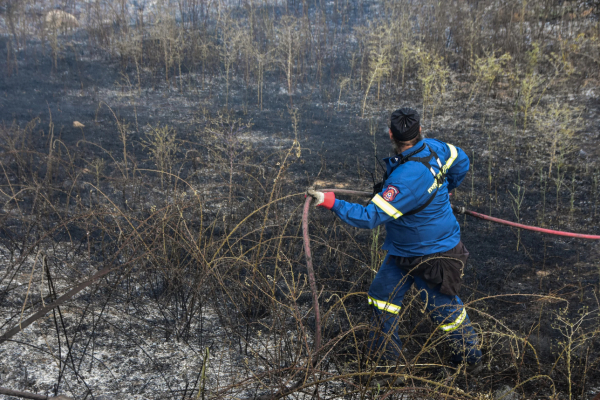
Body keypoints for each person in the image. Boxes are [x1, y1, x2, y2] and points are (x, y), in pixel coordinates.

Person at [306, 107, 482, 375]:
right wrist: (445, 186)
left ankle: (471, 357)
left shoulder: (404, 181)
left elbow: (369, 217)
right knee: (381, 297)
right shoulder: (436, 148)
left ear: (391, 134)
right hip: (403, 249)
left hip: (431, 254)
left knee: (445, 309)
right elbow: (462, 159)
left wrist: (330, 201)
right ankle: (390, 362)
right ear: (420, 131)